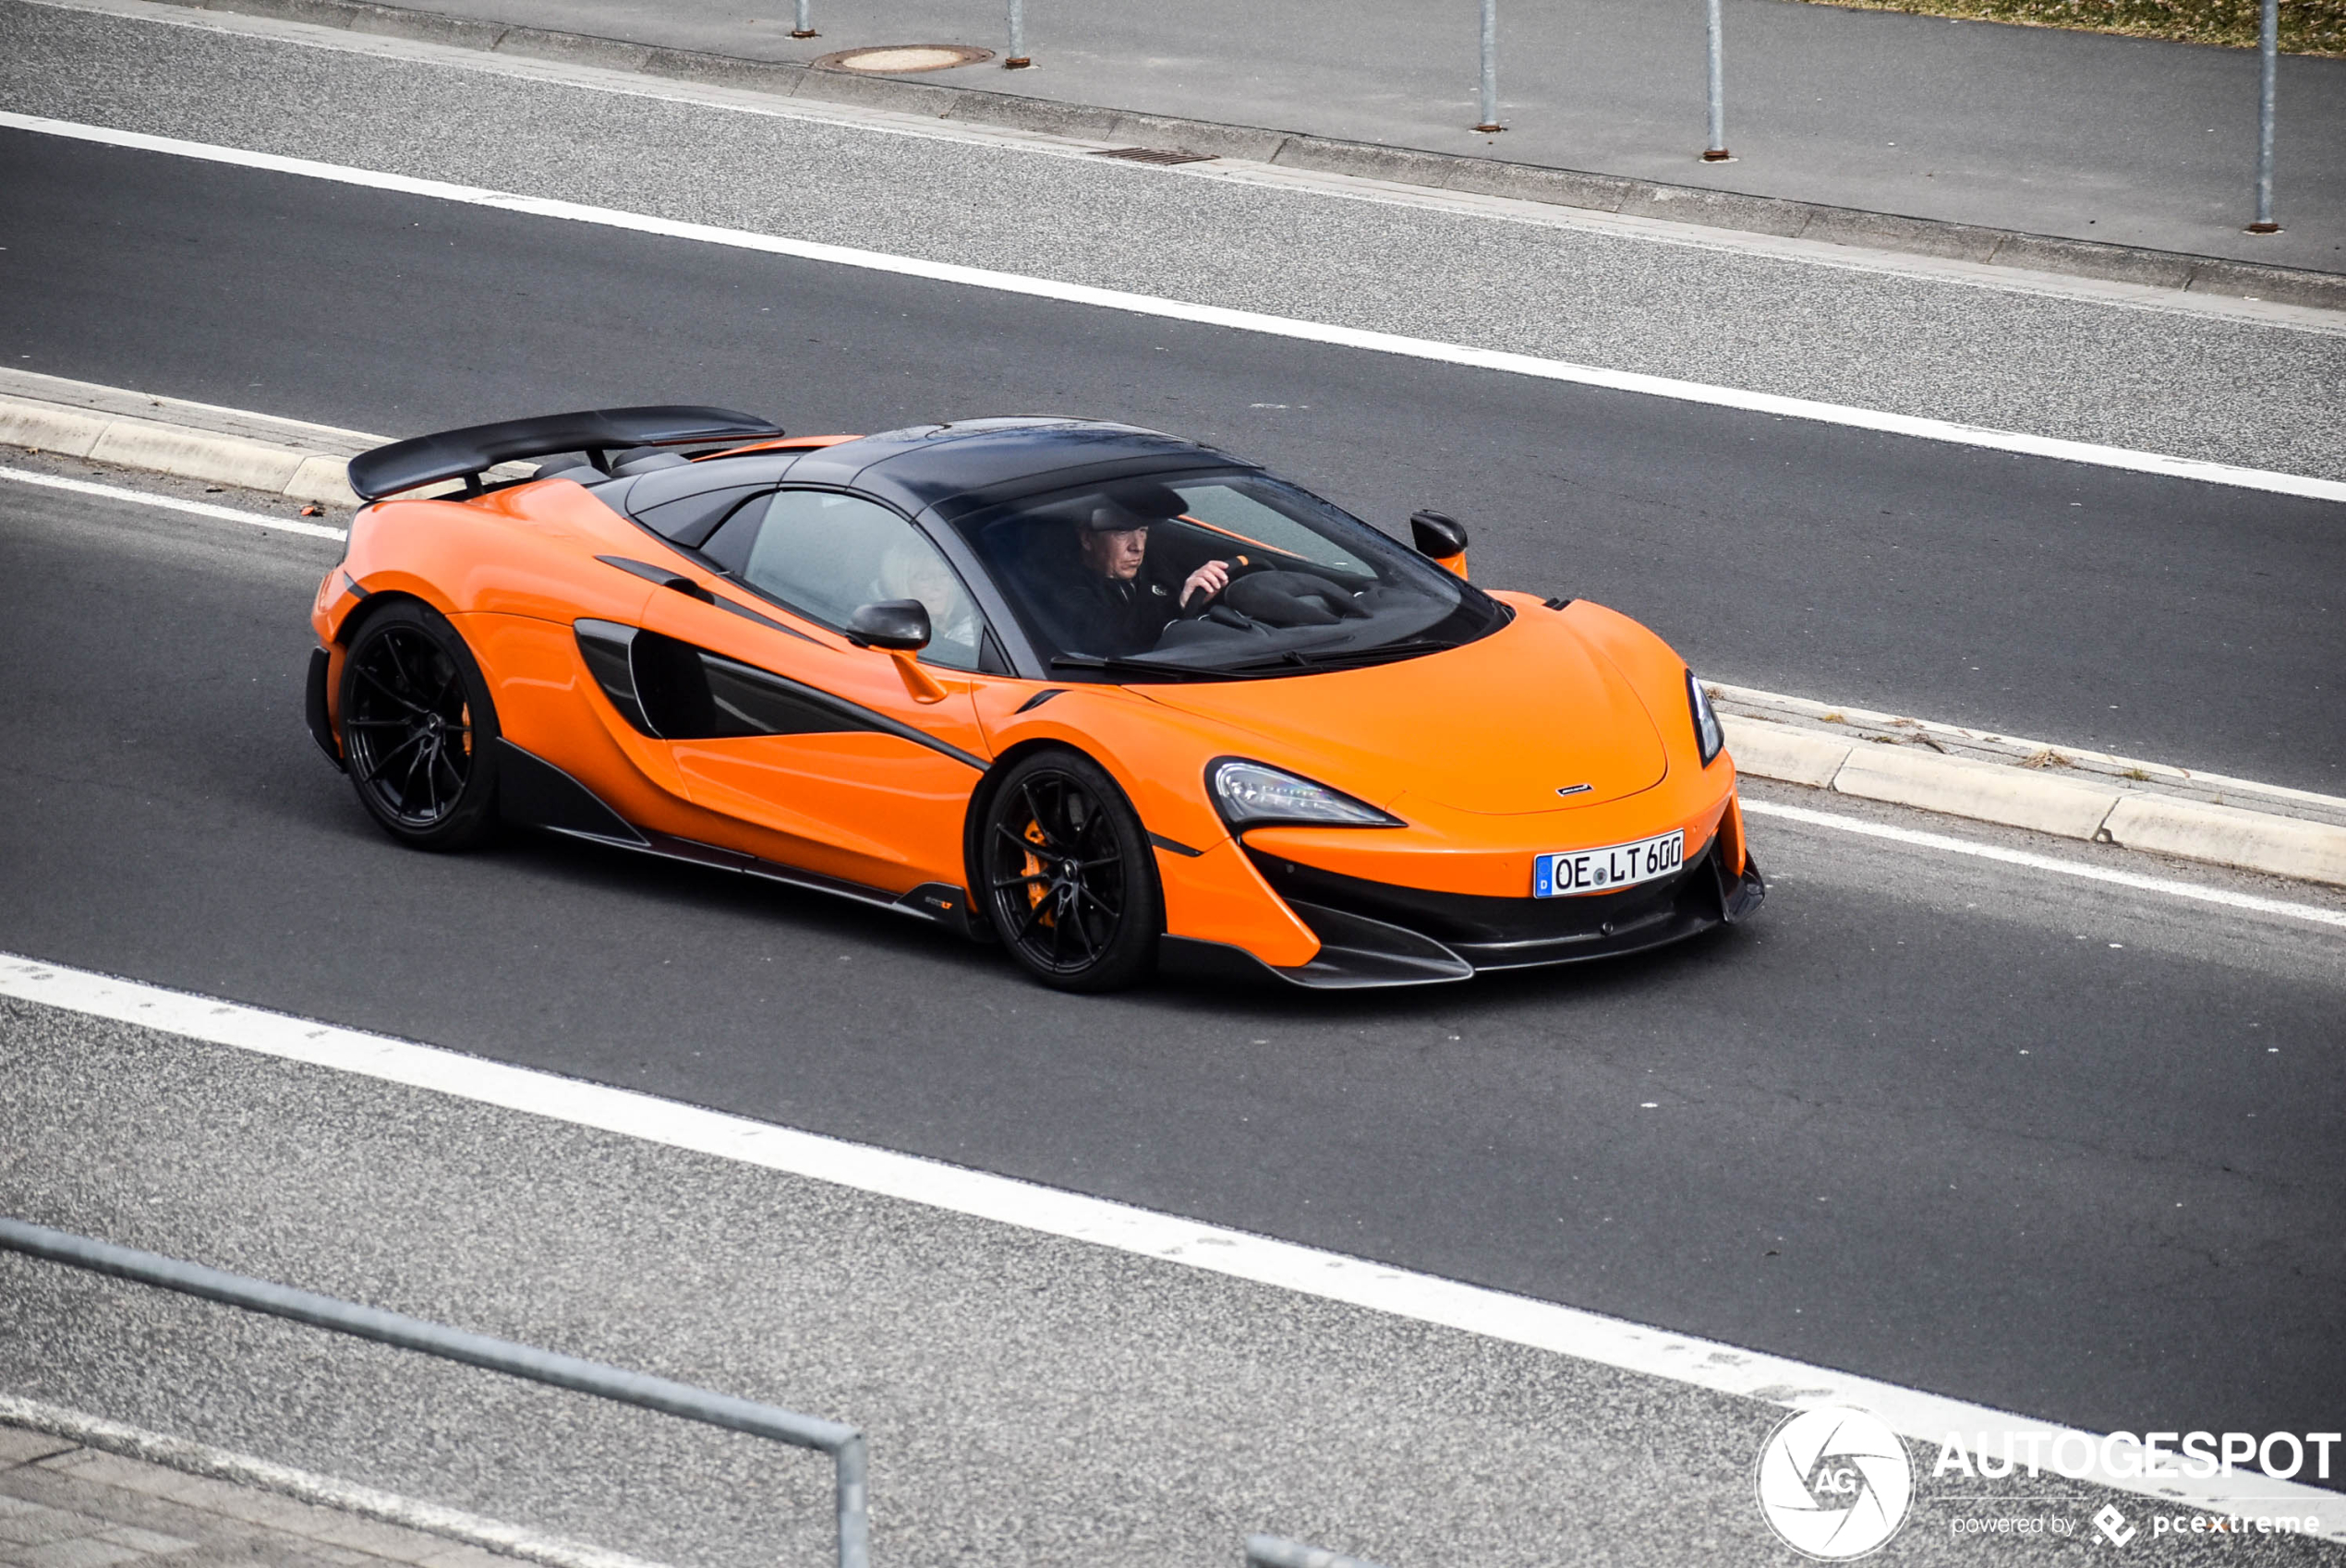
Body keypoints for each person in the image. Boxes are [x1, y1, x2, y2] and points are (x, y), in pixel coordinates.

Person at [1050, 488, 1230, 657]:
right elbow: (1109, 639)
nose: (1138, 546)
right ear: (1087, 538)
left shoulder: (1152, 563)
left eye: (1142, 531)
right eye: (1122, 533)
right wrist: (1177, 606)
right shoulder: (1063, 587)